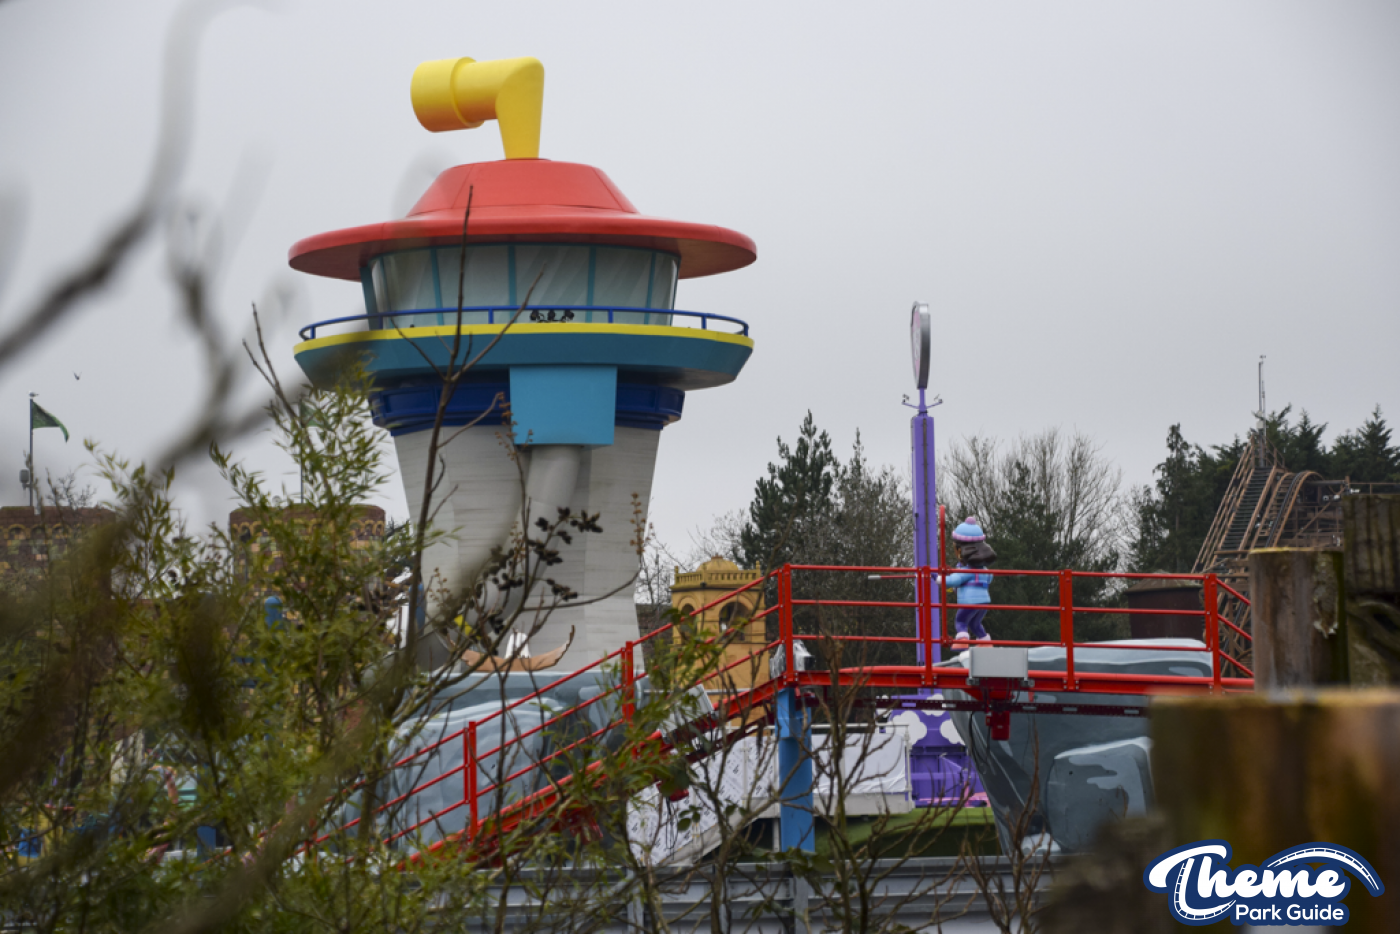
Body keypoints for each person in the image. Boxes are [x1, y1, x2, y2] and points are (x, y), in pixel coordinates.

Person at [939, 516, 997, 648]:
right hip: (984, 601)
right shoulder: (985, 570)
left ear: (960, 550)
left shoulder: (966, 570)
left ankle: (962, 642)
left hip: (969, 601)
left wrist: (937, 578)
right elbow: (990, 578)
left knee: (960, 621)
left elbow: (952, 581)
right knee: (975, 623)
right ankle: (985, 642)